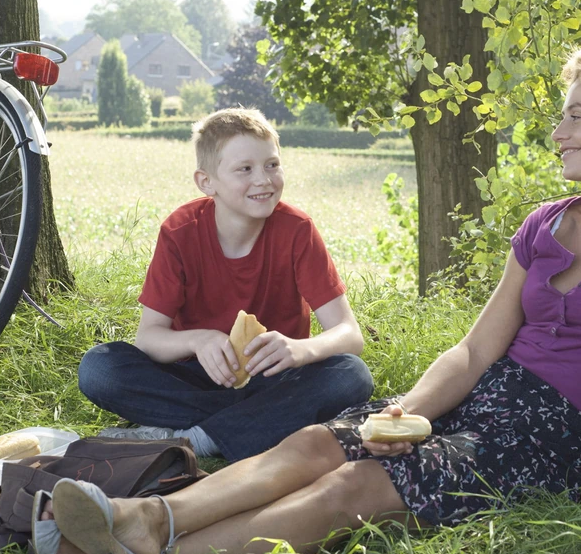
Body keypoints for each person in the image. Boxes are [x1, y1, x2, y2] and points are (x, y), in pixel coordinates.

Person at [42, 46, 581, 554]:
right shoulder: (544, 224)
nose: (559, 132)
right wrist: (404, 412)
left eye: (577, 116)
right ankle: (140, 516)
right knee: (320, 442)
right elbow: (473, 353)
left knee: (352, 490)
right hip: (484, 397)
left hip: (556, 435)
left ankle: (155, 553)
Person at [77, 108, 373, 461]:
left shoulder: (297, 230)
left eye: (272, 165)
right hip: (194, 377)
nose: (263, 179)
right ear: (206, 182)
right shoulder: (180, 232)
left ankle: (195, 439)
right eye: (244, 169)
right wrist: (198, 339)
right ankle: (250, 425)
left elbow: (349, 334)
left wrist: (299, 349)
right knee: (99, 368)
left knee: (351, 375)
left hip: (273, 377)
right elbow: (149, 338)